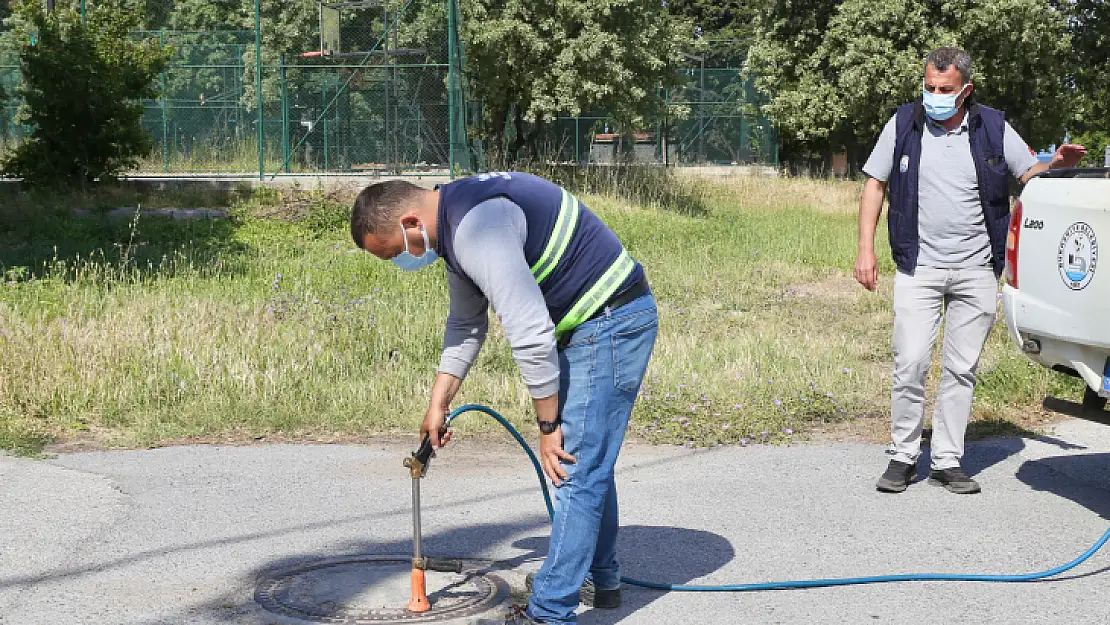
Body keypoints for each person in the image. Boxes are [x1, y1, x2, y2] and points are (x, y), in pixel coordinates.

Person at [350, 171, 658, 624]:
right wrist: (439, 401)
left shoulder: (476, 227)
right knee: (586, 460)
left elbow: (531, 333)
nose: (403, 262)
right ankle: (599, 576)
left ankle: (550, 612)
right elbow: (465, 325)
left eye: (396, 252)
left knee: (573, 466)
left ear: (411, 223)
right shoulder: (455, 227)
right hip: (594, 322)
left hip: (611, 320)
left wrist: (549, 428)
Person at [854, 47, 1087, 495]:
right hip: (917, 265)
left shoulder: (993, 126)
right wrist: (866, 251)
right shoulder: (904, 123)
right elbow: (874, 184)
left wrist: (1056, 166)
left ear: (966, 90)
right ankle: (903, 455)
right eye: (929, 87)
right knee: (911, 362)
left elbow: (1028, 176)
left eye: (944, 89)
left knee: (961, 369)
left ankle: (946, 459)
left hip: (977, 267)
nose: (935, 96)